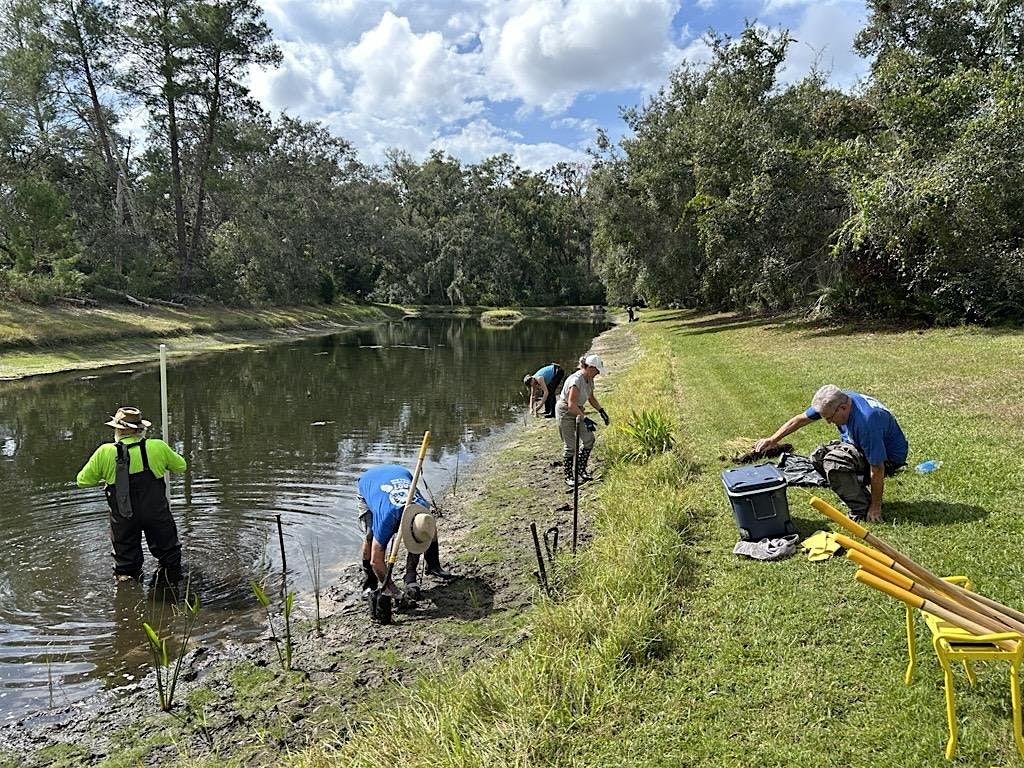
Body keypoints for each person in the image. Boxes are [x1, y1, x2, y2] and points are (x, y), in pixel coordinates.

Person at [754, 385, 908, 523]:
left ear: (843, 408)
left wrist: (876, 507)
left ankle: (862, 508)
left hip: (888, 459)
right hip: (859, 446)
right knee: (818, 457)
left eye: (830, 418)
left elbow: (878, 468)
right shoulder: (836, 400)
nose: (828, 422)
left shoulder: (867, 422)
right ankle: (856, 490)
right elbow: (800, 420)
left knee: (835, 463)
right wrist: (772, 439)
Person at [76, 406, 188, 584]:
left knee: (125, 567)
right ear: (140, 429)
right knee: (170, 558)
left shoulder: (104, 452)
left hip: (123, 516)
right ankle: (171, 588)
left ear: (117, 430)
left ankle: (127, 593)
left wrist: (108, 474)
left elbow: (82, 481)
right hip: (156, 513)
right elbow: (181, 466)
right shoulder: (157, 446)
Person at [356, 464, 455, 604]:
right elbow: (376, 561)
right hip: (370, 482)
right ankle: (370, 583)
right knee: (370, 536)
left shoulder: (423, 509)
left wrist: (411, 579)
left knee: (424, 531)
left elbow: (420, 538)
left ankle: (432, 567)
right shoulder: (386, 519)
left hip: (401, 474)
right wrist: (395, 591)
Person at [555, 354, 610, 487]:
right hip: (565, 411)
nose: (598, 373)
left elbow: (591, 397)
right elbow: (571, 405)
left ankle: (581, 469)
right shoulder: (575, 381)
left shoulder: (589, 379)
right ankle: (569, 476)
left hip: (578, 409)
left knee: (589, 439)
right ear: (590, 368)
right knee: (570, 446)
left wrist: (601, 411)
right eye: (597, 370)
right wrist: (585, 419)